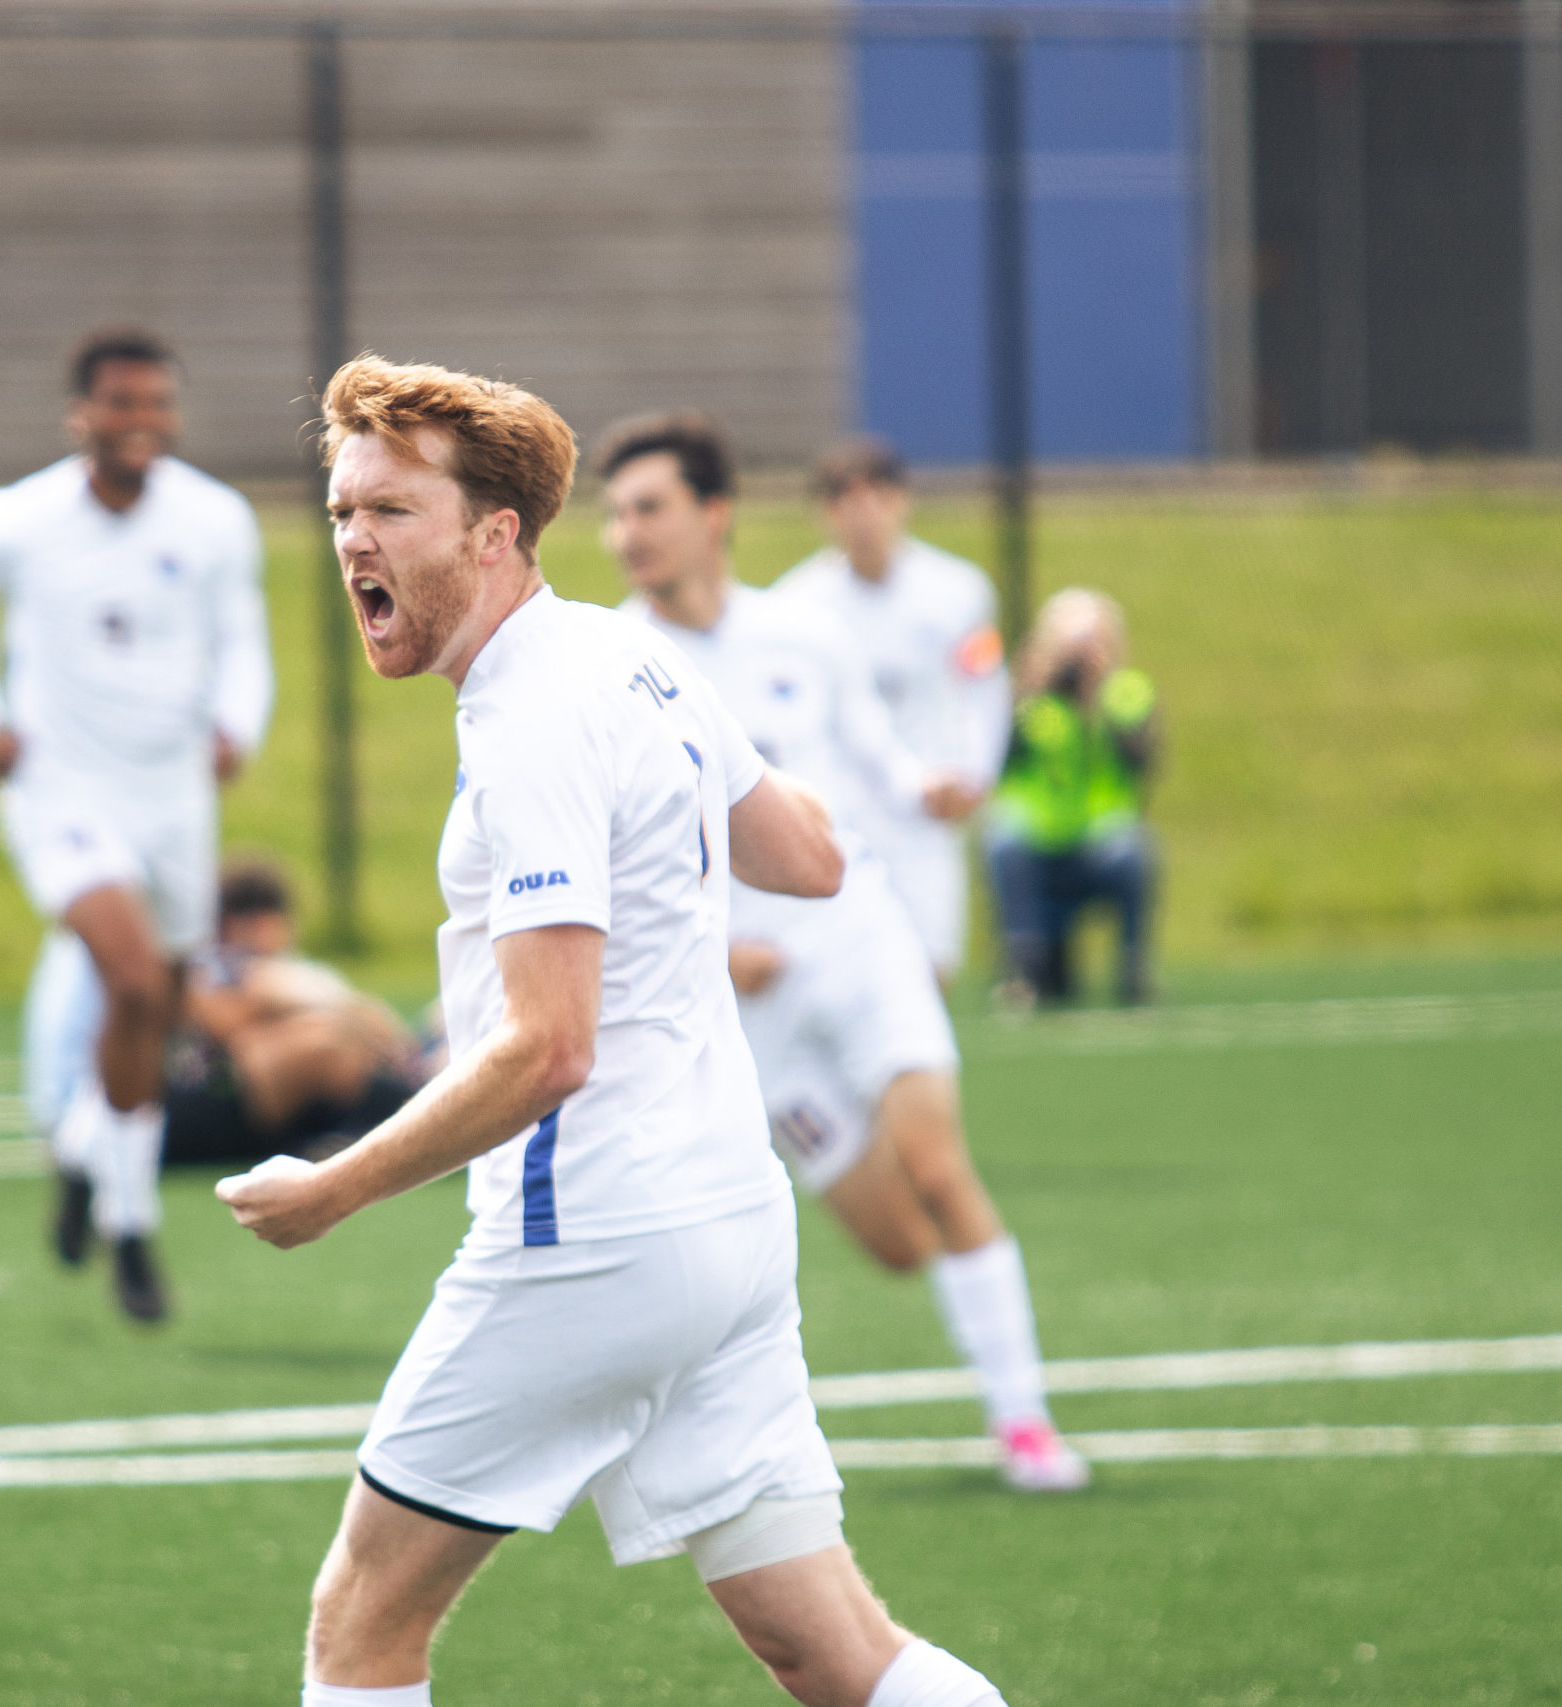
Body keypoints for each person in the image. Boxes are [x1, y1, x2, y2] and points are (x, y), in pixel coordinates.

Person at [218, 356, 1016, 1707]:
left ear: (496, 534)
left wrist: (333, 1185)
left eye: (392, 511)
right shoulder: (633, 657)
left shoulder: (532, 715)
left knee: (361, 1623)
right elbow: (813, 854)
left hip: (590, 1233)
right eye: (344, 508)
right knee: (831, 1651)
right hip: (725, 1219)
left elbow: (548, 1047)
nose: (353, 536)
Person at [601, 410, 1087, 1495]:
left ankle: (1024, 1424)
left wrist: (930, 789)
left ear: (712, 514)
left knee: (938, 1167)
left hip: (855, 943)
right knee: (894, 1241)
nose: (625, 533)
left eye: (648, 508)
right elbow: (615, 849)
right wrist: (717, 945)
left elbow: (872, 760)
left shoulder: (801, 635)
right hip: (745, 1005)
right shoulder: (614, 666)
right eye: (615, 514)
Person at [0, 326, 272, 1323]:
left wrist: (235, 727)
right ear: (82, 415)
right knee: (124, 978)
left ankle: (82, 1159)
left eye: (156, 404)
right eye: (121, 404)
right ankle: (131, 1230)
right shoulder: (14, 520)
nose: (140, 423)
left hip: (171, 797)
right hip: (61, 792)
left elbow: (243, 638)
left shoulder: (213, 520)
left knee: (154, 1009)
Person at [775, 441, 1011, 983]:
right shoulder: (798, 606)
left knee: (932, 971)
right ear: (825, 514)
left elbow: (984, 688)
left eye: (876, 496)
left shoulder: (958, 592)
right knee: (837, 973)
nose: (864, 515)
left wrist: (973, 776)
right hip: (843, 814)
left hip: (926, 812)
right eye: (845, 501)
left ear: (901, 501)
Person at [163, 856, 425, 1170]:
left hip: (266, 1112)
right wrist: (336, 1007)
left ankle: (412, 1113)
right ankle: (424, 1121)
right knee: (321, 1044)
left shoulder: (289, 972)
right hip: (192, 1103)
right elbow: (225, 1024)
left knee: (329, 1040)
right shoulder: (206, 968)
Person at [984, 589, 1160, 1008]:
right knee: (1002, 840)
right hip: (1039, 841)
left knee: (1136, 850)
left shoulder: (1126, 693)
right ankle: (1023, 968)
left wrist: (1093, 700)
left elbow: (1141, 760)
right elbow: (995, 759)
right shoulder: (1030, 702)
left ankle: (1134, 967)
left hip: (1100, 840)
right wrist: (1026, 688)